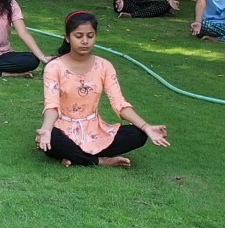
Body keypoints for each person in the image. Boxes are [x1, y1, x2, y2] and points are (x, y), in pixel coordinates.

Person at [36, 11, 171, 167]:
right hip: (63, 129)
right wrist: (46, 129)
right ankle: (98, 160)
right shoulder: (54, 67)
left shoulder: (104, 66)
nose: (85, 41)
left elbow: (119, 103)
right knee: (52, 138)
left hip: (95, 130)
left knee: (138, 135)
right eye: (78, 36)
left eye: (90, 36)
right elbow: (52, 105)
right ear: (67, 38)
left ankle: (74, 156)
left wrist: (147, 127)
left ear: (96, 36)